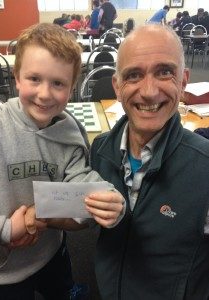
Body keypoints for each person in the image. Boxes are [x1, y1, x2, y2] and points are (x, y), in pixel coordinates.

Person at [0, 23, 124, 300]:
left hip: (51, 252)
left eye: (58, 83)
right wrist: (8, 229)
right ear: (16, 78)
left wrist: (105, 196)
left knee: (62, 290)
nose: (45, 94)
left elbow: (79, 178)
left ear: (72, 88)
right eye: (34, 78)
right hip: (4, 266)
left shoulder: (70, 130)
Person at [90, 24, 209, 299]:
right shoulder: (100, 149)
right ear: (117, 87)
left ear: (183, 81)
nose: (149, 92)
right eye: (134, 75)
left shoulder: (204, 169)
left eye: (164, 72)